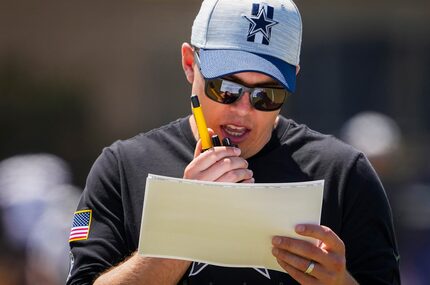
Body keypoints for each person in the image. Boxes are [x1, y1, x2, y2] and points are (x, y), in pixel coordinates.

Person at [67, 0, 400, 284]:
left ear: (293, 77)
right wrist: (179, 231)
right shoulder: (122, 167)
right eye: (226, 88)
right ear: (188, 64)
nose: (243, 110)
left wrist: (339, 282)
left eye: (267, 95)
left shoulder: (344, 174)